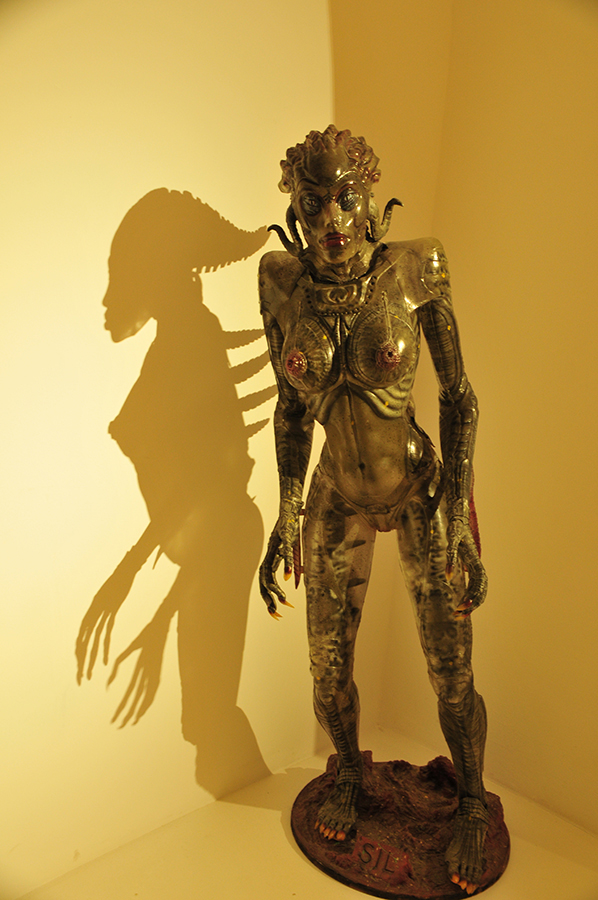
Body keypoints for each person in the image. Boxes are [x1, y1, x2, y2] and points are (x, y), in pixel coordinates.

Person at [258, 125, 488, 895]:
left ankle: (471, 805)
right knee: (326, 671)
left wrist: (458, 509)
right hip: (336, 495)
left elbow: (459, 398)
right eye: (312, 202)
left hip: (417, 486)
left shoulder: (415, 267)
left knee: (450, 672)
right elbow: (291, 413)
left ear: (370, 203)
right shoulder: (279, 282)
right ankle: (350, 774)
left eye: (345, 198)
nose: (330, 219)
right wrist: (289, 509)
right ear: (294, 212)